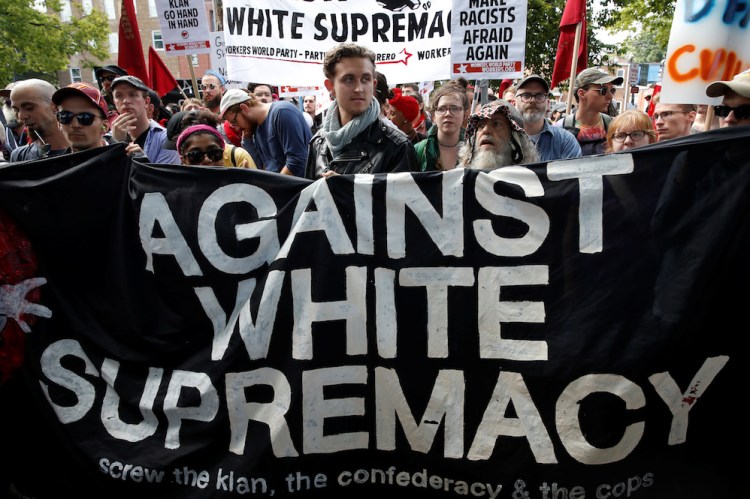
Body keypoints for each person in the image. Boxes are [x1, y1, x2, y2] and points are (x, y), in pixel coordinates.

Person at [305, 42, 417, 178]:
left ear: (374, 84)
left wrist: (349, 190)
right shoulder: (318, 142)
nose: (359, 88)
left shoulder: (397, 147)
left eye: (365, 79)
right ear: (330, 86)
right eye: (349, 79)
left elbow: (404, 198)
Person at [220, 88, 310, 176]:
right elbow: (262, 168)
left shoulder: (282, 112)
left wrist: (273, 189)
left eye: (234, 122)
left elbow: (297, 161)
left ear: (244, 108)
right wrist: (247, 139)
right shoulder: (255, 127)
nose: (237, 129)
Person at [109, 75, 181, 164]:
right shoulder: (107, 139)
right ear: (115, 103)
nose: (125, 101)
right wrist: (115, 145)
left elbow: (164, 177)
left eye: (132, 95)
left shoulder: (166, 139)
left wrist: (142, 162)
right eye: (119, 96)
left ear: (146, 102)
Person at [554, 67, 623, 156]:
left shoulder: (616, 127)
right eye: (603, 90)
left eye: (612, 90)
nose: (610, 96)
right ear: (582, 93)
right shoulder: (559, 129)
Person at [513, 74, 581, 161]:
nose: (533, 100)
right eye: (526, 95)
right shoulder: (503, 140)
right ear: (513, 103)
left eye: (539, 96)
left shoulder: (565, 141)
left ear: (548, 104)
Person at [458, 100, 539, 170]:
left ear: (515, 138)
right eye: (481, 125)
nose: (486, 130)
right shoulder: (461, 181)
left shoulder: (531, 184)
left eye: (497, 124)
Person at [171, 109, 255, 168]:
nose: (207, 160)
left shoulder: (239, 160)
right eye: (196, 155)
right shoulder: (176, 190)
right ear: (183, 160)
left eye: (215, 154)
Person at [9, 79, 69, 161]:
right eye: (16, 110)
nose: (21, 116)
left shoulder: (86, 149)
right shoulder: (19, 156)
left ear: (54, 106)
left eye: (29, 108)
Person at [414, 82, 469, 172]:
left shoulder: (474, 151)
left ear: (465, 115)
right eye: (441, 109)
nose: (448, 114)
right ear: (433, 116)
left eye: (454, 108)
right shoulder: (418, 151)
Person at [51, 82, 113, 152]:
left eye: (85, 117)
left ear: (104, 126)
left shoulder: (124, 159)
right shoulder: (53, 163)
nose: (75, 125)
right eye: (66, 116)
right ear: (58, 123)